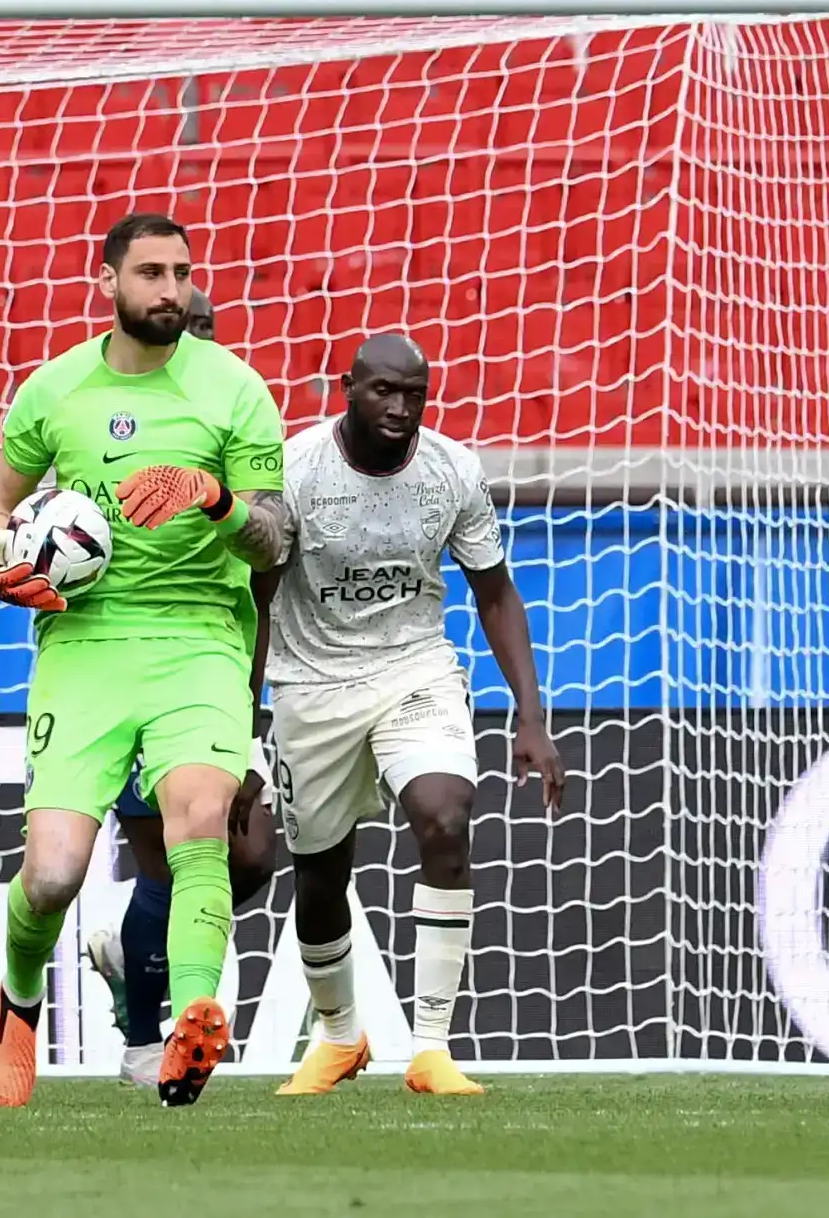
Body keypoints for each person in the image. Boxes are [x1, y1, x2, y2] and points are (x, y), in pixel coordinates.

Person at [0, 213, 290, 1109]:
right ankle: (18, 998)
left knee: (200, 826)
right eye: (151, 272)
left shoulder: (236, 391)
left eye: (182, 272)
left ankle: (192, 1019)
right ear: (107, 280)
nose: (171, 289)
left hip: (199, 638)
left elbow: (273, 541)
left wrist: (215, 497)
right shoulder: (53, 390)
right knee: (54, 875)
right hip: (85, 645)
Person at [263, 334, 566, 1098]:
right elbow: (256, 602)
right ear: (347, 387)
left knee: (445, 814)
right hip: (311, 683)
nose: (400, 407)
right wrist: (237, 728)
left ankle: (431, 1047)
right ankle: (340, 1036)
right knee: (321, 874)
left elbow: (495, 591)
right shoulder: (295, 472)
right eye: (383, 391)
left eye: (414, 394)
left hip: (414, 669)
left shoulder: (451, 470)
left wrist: (531, 717)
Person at [84, 286, 282, 1090]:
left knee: (252, 858)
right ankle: (143, 1038)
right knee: (172, 865)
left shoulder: (243, 444)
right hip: (132, 676)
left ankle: (127, 958)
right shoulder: (111, 450)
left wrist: (249, 715)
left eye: (204, 329)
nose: (189, 342)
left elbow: (265, 583)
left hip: (217, 681)